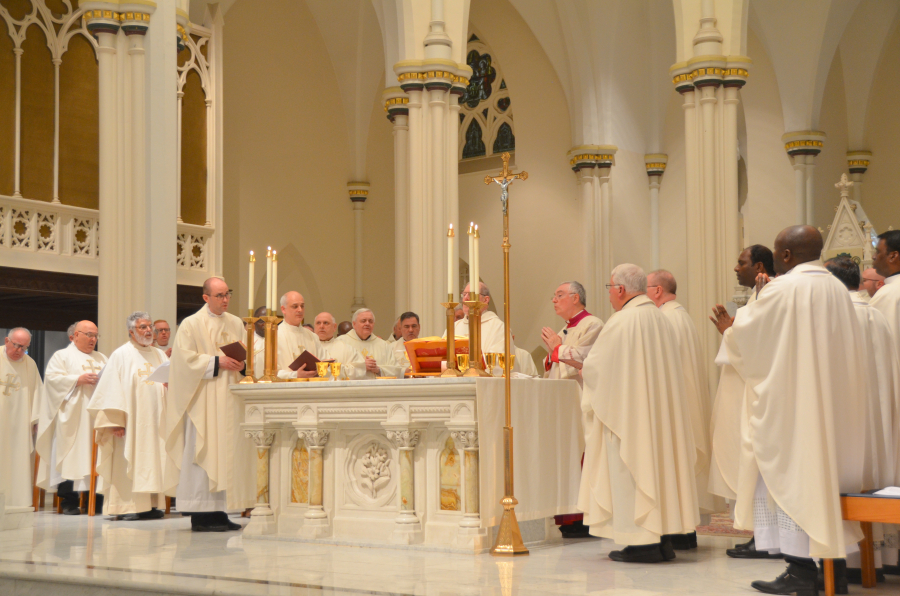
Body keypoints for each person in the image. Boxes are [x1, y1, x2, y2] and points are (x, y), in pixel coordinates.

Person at [723, 226, 865, 596]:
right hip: (833, 404)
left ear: (785, 256)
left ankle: (800, 573)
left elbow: (747, 339)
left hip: (794, 405)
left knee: (789, 480)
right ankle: (830, 570)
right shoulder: (836, 287)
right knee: (825, 481)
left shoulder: (782, 289)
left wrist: (729, 331)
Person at [578, 264, 699, 563]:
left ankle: (641, 543)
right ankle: (661, 541)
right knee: (657, 471)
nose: (609, 294)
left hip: (629, 417)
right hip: (658, 417)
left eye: (609, 288)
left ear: (620, 289)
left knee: (629, 471)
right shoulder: (660, 318)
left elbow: (597, 368)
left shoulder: (622, 322)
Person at [825, 256, 898, 587]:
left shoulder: (838, 317)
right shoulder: (877, 315)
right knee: (875, 479)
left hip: (847, 420)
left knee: (848, 483)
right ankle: (880, 561)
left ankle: (852, 563)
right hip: (878, 420)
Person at [708, 246, 782, 561]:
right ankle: (761, 535)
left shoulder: (768, 293)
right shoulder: (757, 294)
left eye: (741, 263)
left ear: (760, 265)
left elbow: (760, 345)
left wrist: (729, 332)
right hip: (747, 392)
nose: (736, 268)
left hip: (758, 396)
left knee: (757, 466)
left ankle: (766, 539)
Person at [163, 277, 254, 532]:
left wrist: (242, 364)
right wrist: (218, 362)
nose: (225, 300)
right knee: (202, 451)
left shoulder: (236, 322)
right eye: (219, 295)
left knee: (226, 454)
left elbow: (248, 357)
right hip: (202, 399)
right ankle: (201, 515)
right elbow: (182, 362)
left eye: (228, 294)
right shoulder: (191, 324)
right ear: (206, 298)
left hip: (229, 397)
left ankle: (220, 512)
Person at [647, 269, 715, 550]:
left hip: (674, 408)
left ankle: (677, 531)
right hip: (686, 404)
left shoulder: (665, 319)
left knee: (673, 465)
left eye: (646, 287)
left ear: (658, 291)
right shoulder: (681, 316)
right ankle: (684, 531)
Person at [87, 312, 168, 520]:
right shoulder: (121, 355)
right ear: (131, 332)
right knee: (128, 460)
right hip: (129, 422)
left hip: (156, 419)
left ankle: (151, 505)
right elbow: (111, 389)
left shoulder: (159, 355)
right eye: (143, 327)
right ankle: (126, 507)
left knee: (154, 459)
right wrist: (115, 421)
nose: (149, 331)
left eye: (150, 326)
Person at [34, 320, 108, 515]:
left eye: (95, 335)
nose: (93, 339)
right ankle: (69, 501)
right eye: (88, 334)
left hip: (96, 415)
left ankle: (96, 499)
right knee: (69, 454)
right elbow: (52, 381)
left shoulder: (102, 358)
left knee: (97, 455)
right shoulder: (62, 356)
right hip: (72, 416)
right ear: (74, 336)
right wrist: (77, 380)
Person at [0, 328, 42, 511]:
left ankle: (17, 501)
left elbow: (38, 392)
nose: (19, 351)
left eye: (24, 348)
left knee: (17, 459)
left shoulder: (29, 363)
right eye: (17, 346)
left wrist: (37, 420)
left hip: (20, 425)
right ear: (7, 340)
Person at [541, 281, 603, 382]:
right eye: (554, 296)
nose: (554, 300)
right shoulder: (564, 330)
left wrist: (557, 348)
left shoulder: (593, 325)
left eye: (559, 295)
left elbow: (584, 360)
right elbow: (552, 368)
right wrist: (552, 354)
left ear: (575, 298)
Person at [446, 282, 514, 355]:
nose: (465, 298)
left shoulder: (498, 328)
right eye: (464, 294)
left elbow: (499, 362)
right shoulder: (454, 327)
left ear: (485, 300)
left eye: (471, 295)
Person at [338, 309, 404, 379]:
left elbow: (397, 371)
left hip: (377, 389)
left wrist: (379, 370)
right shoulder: (341, 343)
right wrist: (361, 367)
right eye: (363, 321)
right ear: (354, 324)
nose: (367, 324)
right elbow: (335, 369)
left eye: (370, 321)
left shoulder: (383, 345)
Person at [276, 292, 320, 379]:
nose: (300, 310)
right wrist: (295, 375)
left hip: (311, 389)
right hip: (285, 390)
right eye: (295, 306)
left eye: (302, 306)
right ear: (283, 309)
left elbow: (323, 362)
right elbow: (270, 373)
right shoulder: (274, 336)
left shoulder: (312, 336)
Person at [313, 312, 365, 379]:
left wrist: (335, 368)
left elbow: (359, 370)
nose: (321, 326)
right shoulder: (307, 346)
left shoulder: (347, 349)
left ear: (334, 327)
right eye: (318, 323)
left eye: (326, 323)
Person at [252, 306, 266, 379]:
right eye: (261, 321)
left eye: (268, 321)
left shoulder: (279, 340)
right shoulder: (248, 340)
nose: (265, 324)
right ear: (254, 322)